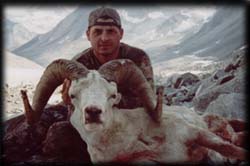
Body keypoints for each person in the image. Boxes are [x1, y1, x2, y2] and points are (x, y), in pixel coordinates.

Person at [62, 7, 159, 122]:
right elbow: (73, 107)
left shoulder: (137, 58)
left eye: (111, 31)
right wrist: (68, 100)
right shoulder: (78, 64)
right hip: (90, 120)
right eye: (97, 32)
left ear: (121, 34)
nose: (104, 38)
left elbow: (147, 100)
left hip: (129, 120)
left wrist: (104, 101)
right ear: (88, 35)